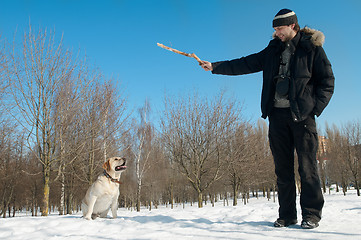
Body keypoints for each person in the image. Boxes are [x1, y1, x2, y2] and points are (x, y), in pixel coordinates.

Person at [200, 9, 334, 229]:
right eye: (274, 30)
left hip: (303, 118)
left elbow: (327, 81)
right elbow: (246, 63)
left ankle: (311, 215)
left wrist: (314, 109)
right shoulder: (272, 50)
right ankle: (287, 215)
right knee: (282, 169)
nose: (276, 33)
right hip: (277, 116)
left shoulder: (312, 48)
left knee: (307, 168)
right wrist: (216, 66)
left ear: (292, 26)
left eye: (279, 29)